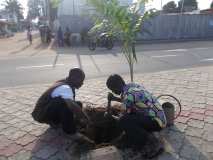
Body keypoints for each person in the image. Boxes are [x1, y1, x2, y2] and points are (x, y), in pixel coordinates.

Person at [106, 74, 167, 158]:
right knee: (129, 118)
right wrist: (114, 99)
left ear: (116, 87)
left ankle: (149, 143)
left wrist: (111, 116)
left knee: (124, 121)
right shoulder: (132, 86)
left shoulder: (128, 96)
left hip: (157, 123)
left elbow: (123, 117)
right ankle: (134, 138)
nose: (113, 92)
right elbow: (129, 101)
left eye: (112, 90)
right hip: (159, 118)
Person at [32, 68, 89, 135]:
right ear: (74, 78)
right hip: (41, 115)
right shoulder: (65, 88)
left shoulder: (65, 81)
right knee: (68, 107)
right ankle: (70, 131)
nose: (82, 83)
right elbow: (72, 106)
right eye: (81, 80)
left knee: (78, 104)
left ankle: (57, 122)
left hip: (47, 109)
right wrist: (85, 119)